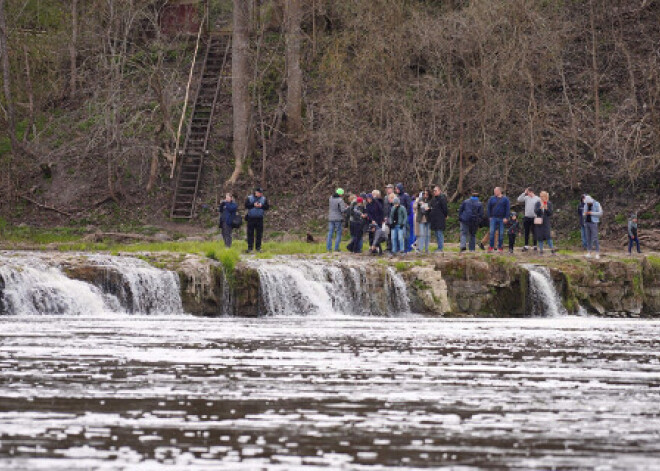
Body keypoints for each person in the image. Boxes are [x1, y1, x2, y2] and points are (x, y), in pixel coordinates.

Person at [245, 187, 269, 253]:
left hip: (259, 218)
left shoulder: (264, 199)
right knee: (250, 233)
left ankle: (258, 248)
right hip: (251, 218)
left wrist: (261, 205)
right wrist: (253, 205)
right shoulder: (249, 198)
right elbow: (246, 206)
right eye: (259, 193)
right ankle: (250, 248)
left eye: (261, 193)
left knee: (259, 234)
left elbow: (267, 207)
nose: (260, 194)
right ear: (256, 192)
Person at [487, 187, 510, 253]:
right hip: (493, 218)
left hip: (502, 218)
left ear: (500, 191)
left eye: (496, 191)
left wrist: (506, 217)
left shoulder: (505, 199)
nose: (495, 192)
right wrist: (489, 216)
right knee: (491, 233)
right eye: (494, 191)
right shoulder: (491, 198)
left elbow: (507, 209)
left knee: (501, 233)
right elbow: (488, 208)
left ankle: (500, 247)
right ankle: (491, 247)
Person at [517, 187, 541, 252]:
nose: (527, 194)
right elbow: (519, 199)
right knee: (526, 232)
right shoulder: (526, 198)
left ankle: (535, 245)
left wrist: (539, 215)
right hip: (527, 217)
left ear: (531, 192)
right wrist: (524, 193)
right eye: (527, 193)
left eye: (528, 192)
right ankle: (526, 245)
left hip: (534, 217)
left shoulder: (537, 198)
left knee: (534, 232)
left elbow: (541, 207)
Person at [428, 185, 448, 253]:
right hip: (434, 219)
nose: (434, 192)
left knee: (439, 233)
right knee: (437, 234)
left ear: (439, 191)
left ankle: (440, 248)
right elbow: (430, 206)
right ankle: (439, 247)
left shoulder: (442, 199)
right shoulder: (434, 199)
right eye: (434, 191)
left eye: (436, 191)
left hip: (440, 219)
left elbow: (445, 209)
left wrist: (445, 215)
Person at [394, 183, 414, 252]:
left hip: (405, 218)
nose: (396, 190)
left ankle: (407, 248)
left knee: (405, 234)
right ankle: (399, 248)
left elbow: (409, 207)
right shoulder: (397, 197)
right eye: (396, 189)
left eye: (397, 189)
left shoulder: (406, 196)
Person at [327, 188, 347, 252]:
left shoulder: (330, 198)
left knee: (330, 233)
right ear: (340, 194)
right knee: (338, 233)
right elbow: (342, 210)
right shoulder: (340, 200)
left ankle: (329, 248)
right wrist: (346, 207)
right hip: (338, 218)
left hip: (331, 218)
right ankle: (336, 248)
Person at [415, 189, 431, 254]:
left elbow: (431, 207)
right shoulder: (420, 199)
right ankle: (420, 249)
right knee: (421, 234)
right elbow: (415, 206)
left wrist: (429, 207)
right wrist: (418, 202)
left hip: (428, 219)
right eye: (424, 194)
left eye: (427, 194)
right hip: (421, 219)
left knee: (427, 234)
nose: (425, 195)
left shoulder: (430, 200)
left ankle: (426, 249)